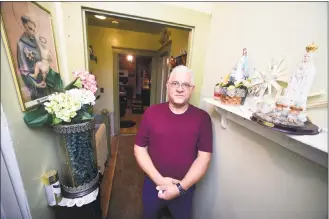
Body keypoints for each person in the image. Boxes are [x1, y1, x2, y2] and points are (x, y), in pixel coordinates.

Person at [134, 65, 213, 219]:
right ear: (167, 85)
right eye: (175, 83)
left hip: (184, 187)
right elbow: (139, 149)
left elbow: (204, 158)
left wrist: (180, 188)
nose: (180, 89)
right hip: (153, 184)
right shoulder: (152, 112)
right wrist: (159, 180)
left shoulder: (202, 118)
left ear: (192, 89)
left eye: (185, 85)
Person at [17, 15, 47, 100]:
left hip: (43, 79)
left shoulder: (35, 41)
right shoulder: (21, 44)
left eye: (34, 30)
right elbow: (23, 70)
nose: (33, 32)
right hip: (34, 82)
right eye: (30, 29)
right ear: (24, 26)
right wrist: (36, 84)